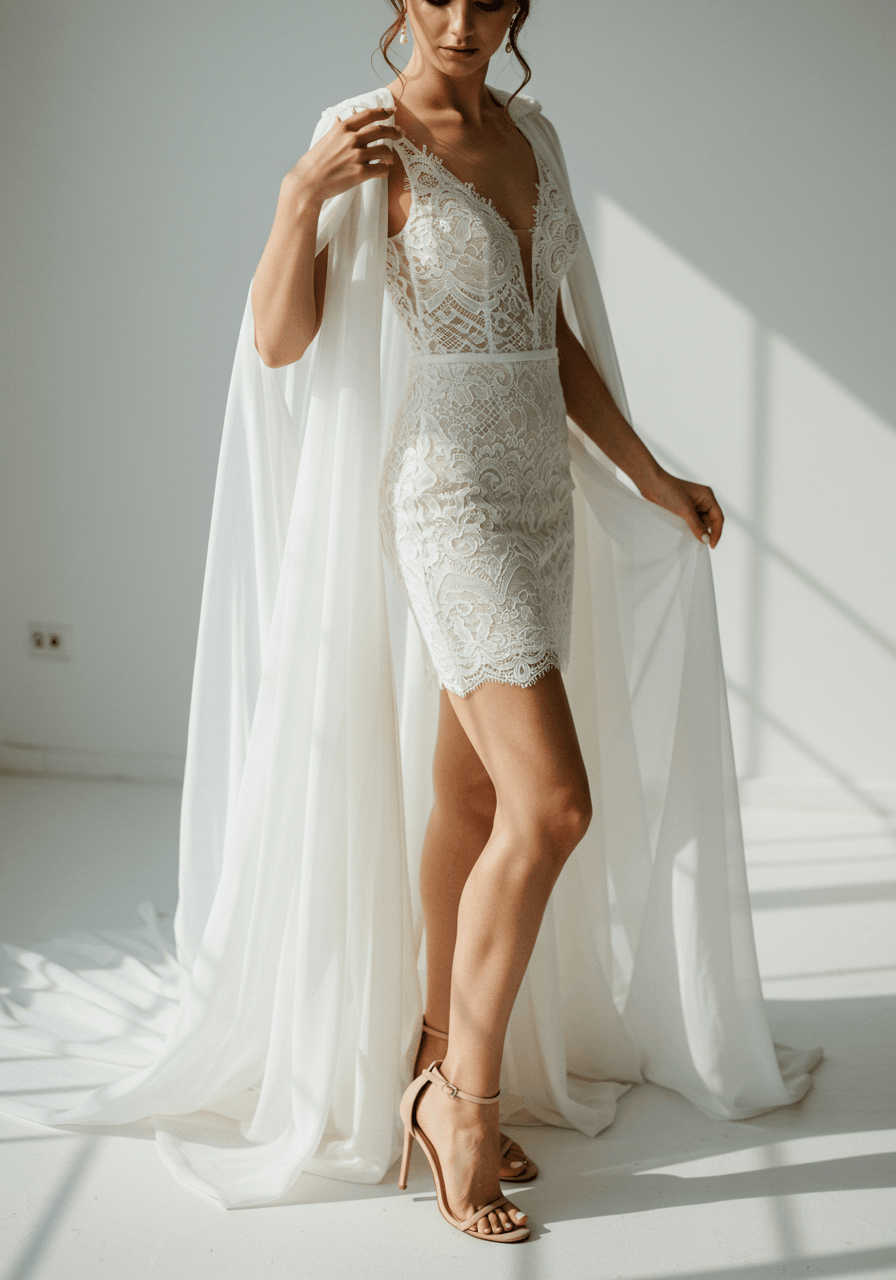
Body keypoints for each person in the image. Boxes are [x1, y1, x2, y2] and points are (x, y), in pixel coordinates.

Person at [0, 0, 820, 1229]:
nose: (459, 21)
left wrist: (646, 473)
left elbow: (543, 335)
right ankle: (459, 1100)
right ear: (397, 1)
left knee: (480, 797)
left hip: (538, 496)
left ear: (518, 10)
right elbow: (281, 341)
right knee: (557, 803)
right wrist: (295, 196)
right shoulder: (363, 136)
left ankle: (430, 1045)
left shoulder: (533, 135)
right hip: (445, 503)